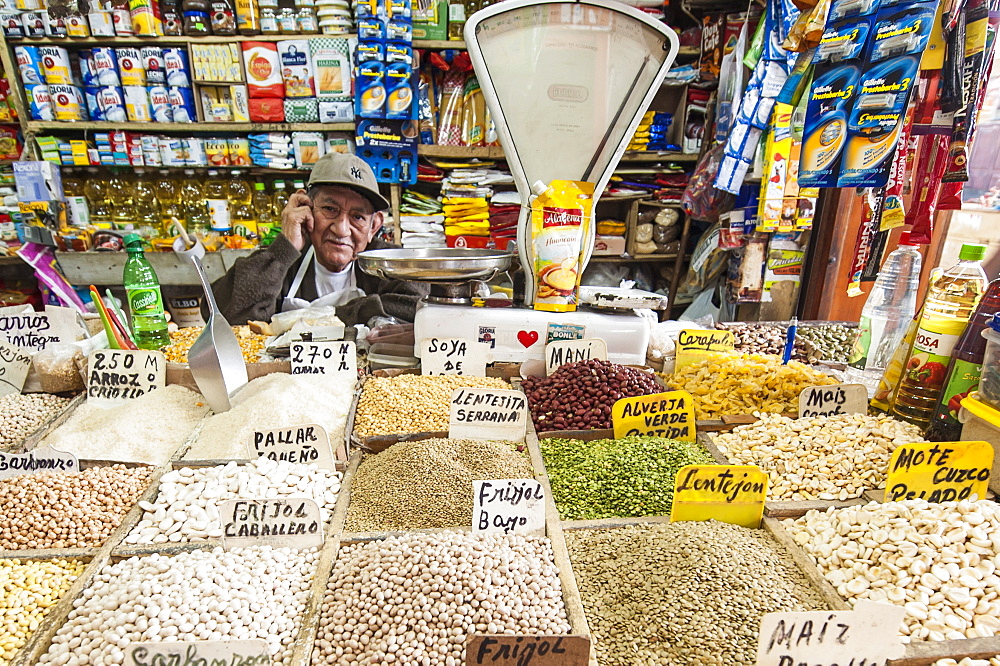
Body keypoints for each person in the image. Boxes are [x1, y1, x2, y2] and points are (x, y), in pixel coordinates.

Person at [210, 153, 428, 326]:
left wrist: (332, 317)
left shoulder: (386, 264)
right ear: (305, 207)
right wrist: (283, 248)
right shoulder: (282, 262)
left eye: (358, 217)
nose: (342, 229)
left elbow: (420, 308)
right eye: (330, 209)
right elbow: (224, 315)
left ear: (374, 226)